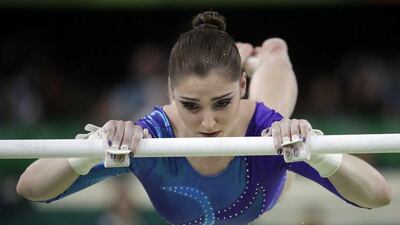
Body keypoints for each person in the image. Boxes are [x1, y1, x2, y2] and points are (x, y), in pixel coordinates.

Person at [16, 11, 391, 225]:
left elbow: (378, 196)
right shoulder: (150, 138)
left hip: (266, 157)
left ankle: (269, 57)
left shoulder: (265, 129)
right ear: (169, 91)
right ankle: (252, 63)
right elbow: (30, 188)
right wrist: (92, 150)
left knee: (277, 114)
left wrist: (316, 152)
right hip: (241, 133)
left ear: (240, 86)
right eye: (191, 105)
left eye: (222, 102)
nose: (208, 122)